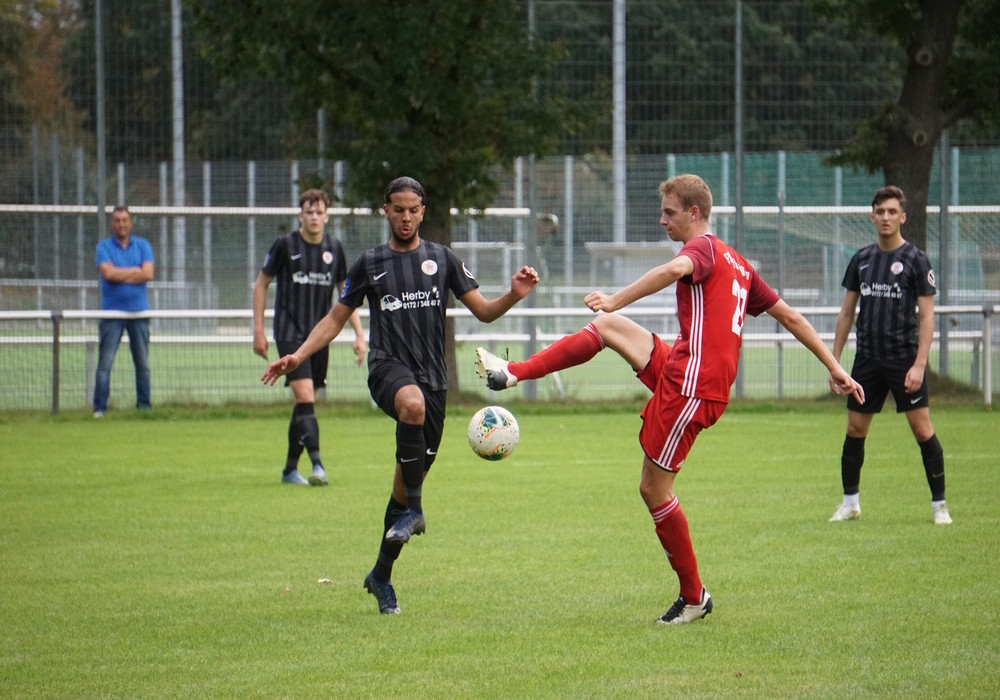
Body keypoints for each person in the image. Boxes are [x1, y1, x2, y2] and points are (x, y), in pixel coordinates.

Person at [475, 174, 864, 625]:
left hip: (693, 389)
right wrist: (835, 367)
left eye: (669, 212)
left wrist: (615, 299)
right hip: (684, 369)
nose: (663, 220)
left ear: (694, 213)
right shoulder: (737, 262)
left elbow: (672, 270)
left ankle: (694, 596)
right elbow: (791, 317)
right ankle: (513, 372)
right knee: (608, 329)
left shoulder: (701, 250)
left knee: (653, 489)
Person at [262, 176, 539, 614]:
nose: (406, 217)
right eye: (398, 210)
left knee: (403, 488)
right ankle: (417, 511)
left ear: (422, 212)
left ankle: (381, 575)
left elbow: (484, 312)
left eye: (413, 210)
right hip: (387, 368)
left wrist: (513, 295)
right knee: (411, 408)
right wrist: (298, 355)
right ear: (386, 211)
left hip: (434, 382)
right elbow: (334, 320)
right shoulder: (370, 263)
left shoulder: (442, 259)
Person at [827, 185, 951, 525]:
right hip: (867, 359)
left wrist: (919, 365)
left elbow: (927, 317)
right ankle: (850, 503)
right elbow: (846, 313)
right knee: (855, 429)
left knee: (922, 429)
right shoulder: (862, 259)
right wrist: (834, 363)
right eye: (880, 212)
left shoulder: (916, 260)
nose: (886, 217)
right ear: (872, 217)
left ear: (903, 217)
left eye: (892, 212)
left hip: (903, 359)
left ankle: (940, 506)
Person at [253, 188, 367, 486]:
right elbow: (261, 284)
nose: (314, 217)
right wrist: (258, 330)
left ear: (327, 216)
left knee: (306, 403)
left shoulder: (334, 248)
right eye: (309, 212)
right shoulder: (285, 245)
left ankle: (290, 470)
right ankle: (318, 466)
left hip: (320, 337)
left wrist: (359, 334)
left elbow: (346, 294)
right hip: (289, 333)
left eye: (319, 212)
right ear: (300, 215)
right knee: (304, 396)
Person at [93, 206, 155, 417]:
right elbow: (107, 274)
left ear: (131, 223)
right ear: (112, 223)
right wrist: (134, 271)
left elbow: (148, 273)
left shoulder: (143, 245)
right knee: (105, 364)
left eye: (125, 220)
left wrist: (119, 272)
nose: (121, 224)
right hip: (112, 314)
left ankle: (144, 407)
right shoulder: (103, 247)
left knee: (142, 364)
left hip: (139, 314)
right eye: (117, 220)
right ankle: (100, 409)